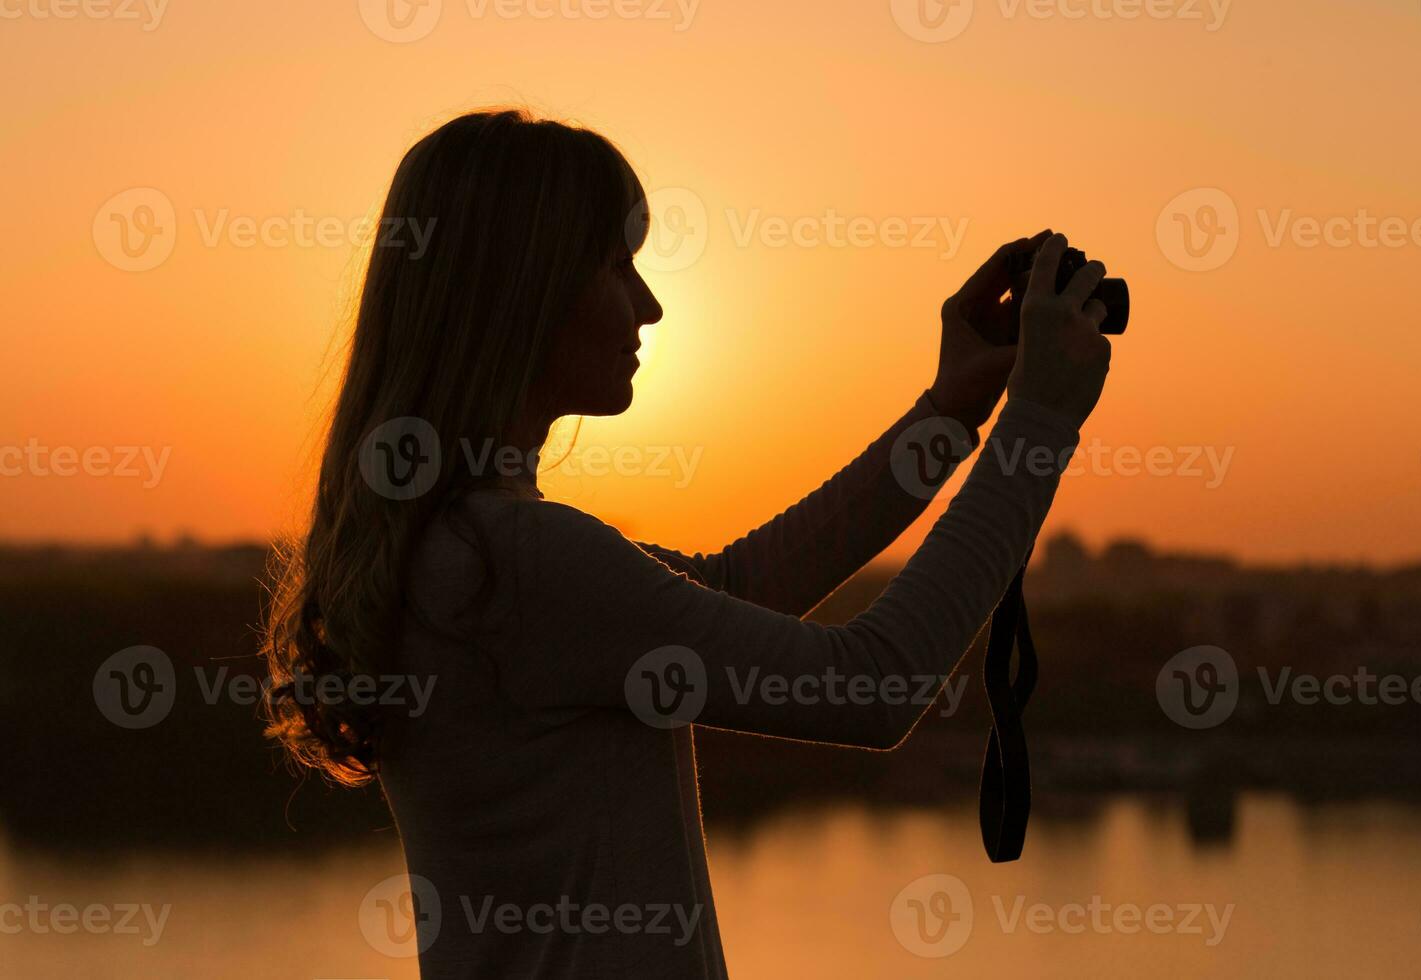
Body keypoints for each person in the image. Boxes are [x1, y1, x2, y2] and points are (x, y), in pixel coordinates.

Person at [261, 107, 1113, 979]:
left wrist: (949, 414)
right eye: (618, 266)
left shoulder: (452, 547)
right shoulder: (516, 560)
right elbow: (874, 685)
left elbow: (734, 586)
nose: (651, 304)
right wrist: (1038, 427)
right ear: (526, 289)